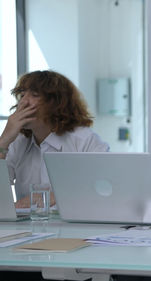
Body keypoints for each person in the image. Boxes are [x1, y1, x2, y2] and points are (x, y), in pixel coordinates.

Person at [0, 70, 109, 208]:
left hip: (76, 228)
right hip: (26, 228)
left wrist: (53, 197)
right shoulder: (17, 141)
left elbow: (104, 189)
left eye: (34, 95)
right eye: (22, 94)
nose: (23, 102)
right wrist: (3, 140)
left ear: (56, 103)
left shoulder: (84, 140)